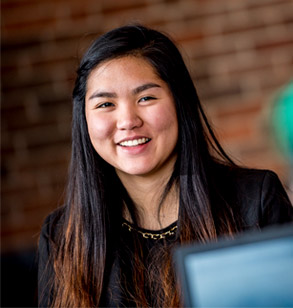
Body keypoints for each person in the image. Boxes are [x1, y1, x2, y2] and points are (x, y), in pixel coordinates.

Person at [38, 24, 293, 308]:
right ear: (84, 119)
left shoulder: (255, 200)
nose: (127, 121)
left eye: (145, 98)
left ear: (179, 103)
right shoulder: (62, 235)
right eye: (105, 104)